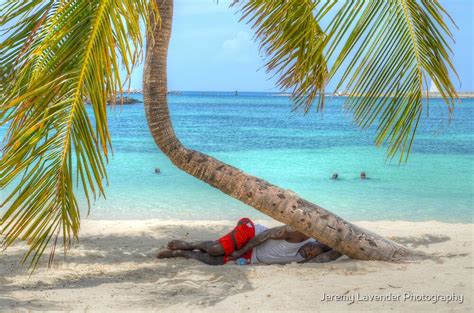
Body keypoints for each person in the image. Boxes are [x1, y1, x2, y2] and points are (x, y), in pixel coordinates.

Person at [156, 217, 342, 265]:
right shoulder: (300, 235)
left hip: (251, 256)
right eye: (314, 248)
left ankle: (182, 253)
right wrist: (240, 250)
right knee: (216, 249)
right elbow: (269, 233)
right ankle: (190, 245)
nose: (311, 253)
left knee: (215, 261)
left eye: (316, 254)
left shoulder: (312, 259)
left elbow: (339, 251)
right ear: (317, 241)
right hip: (252, 234)